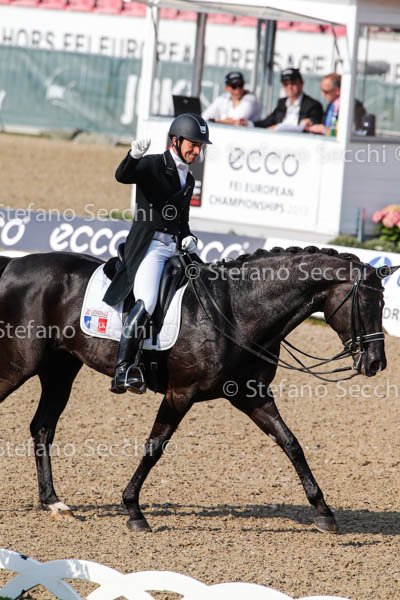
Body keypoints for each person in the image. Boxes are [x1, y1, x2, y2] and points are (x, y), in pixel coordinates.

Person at [103, 113, 212, 395]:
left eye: (200, 146)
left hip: (173, 248)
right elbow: (122, 176)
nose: (197, 151)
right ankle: (123, 369)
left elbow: (182, 219)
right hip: (149, 247)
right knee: (148, 300)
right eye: (193, 145)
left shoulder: (188, 178)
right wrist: (133, 156)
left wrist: (187, 236)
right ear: (176, 140)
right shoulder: (152, 164)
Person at [253, 68, 323, 130]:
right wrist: (251, 124)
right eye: (285, 84)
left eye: (293, 83)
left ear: (301, 83)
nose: (289, 87)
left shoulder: (313, 105)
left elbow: (315, 121)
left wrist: (310, 121)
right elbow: (269, 121)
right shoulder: (282, 103)